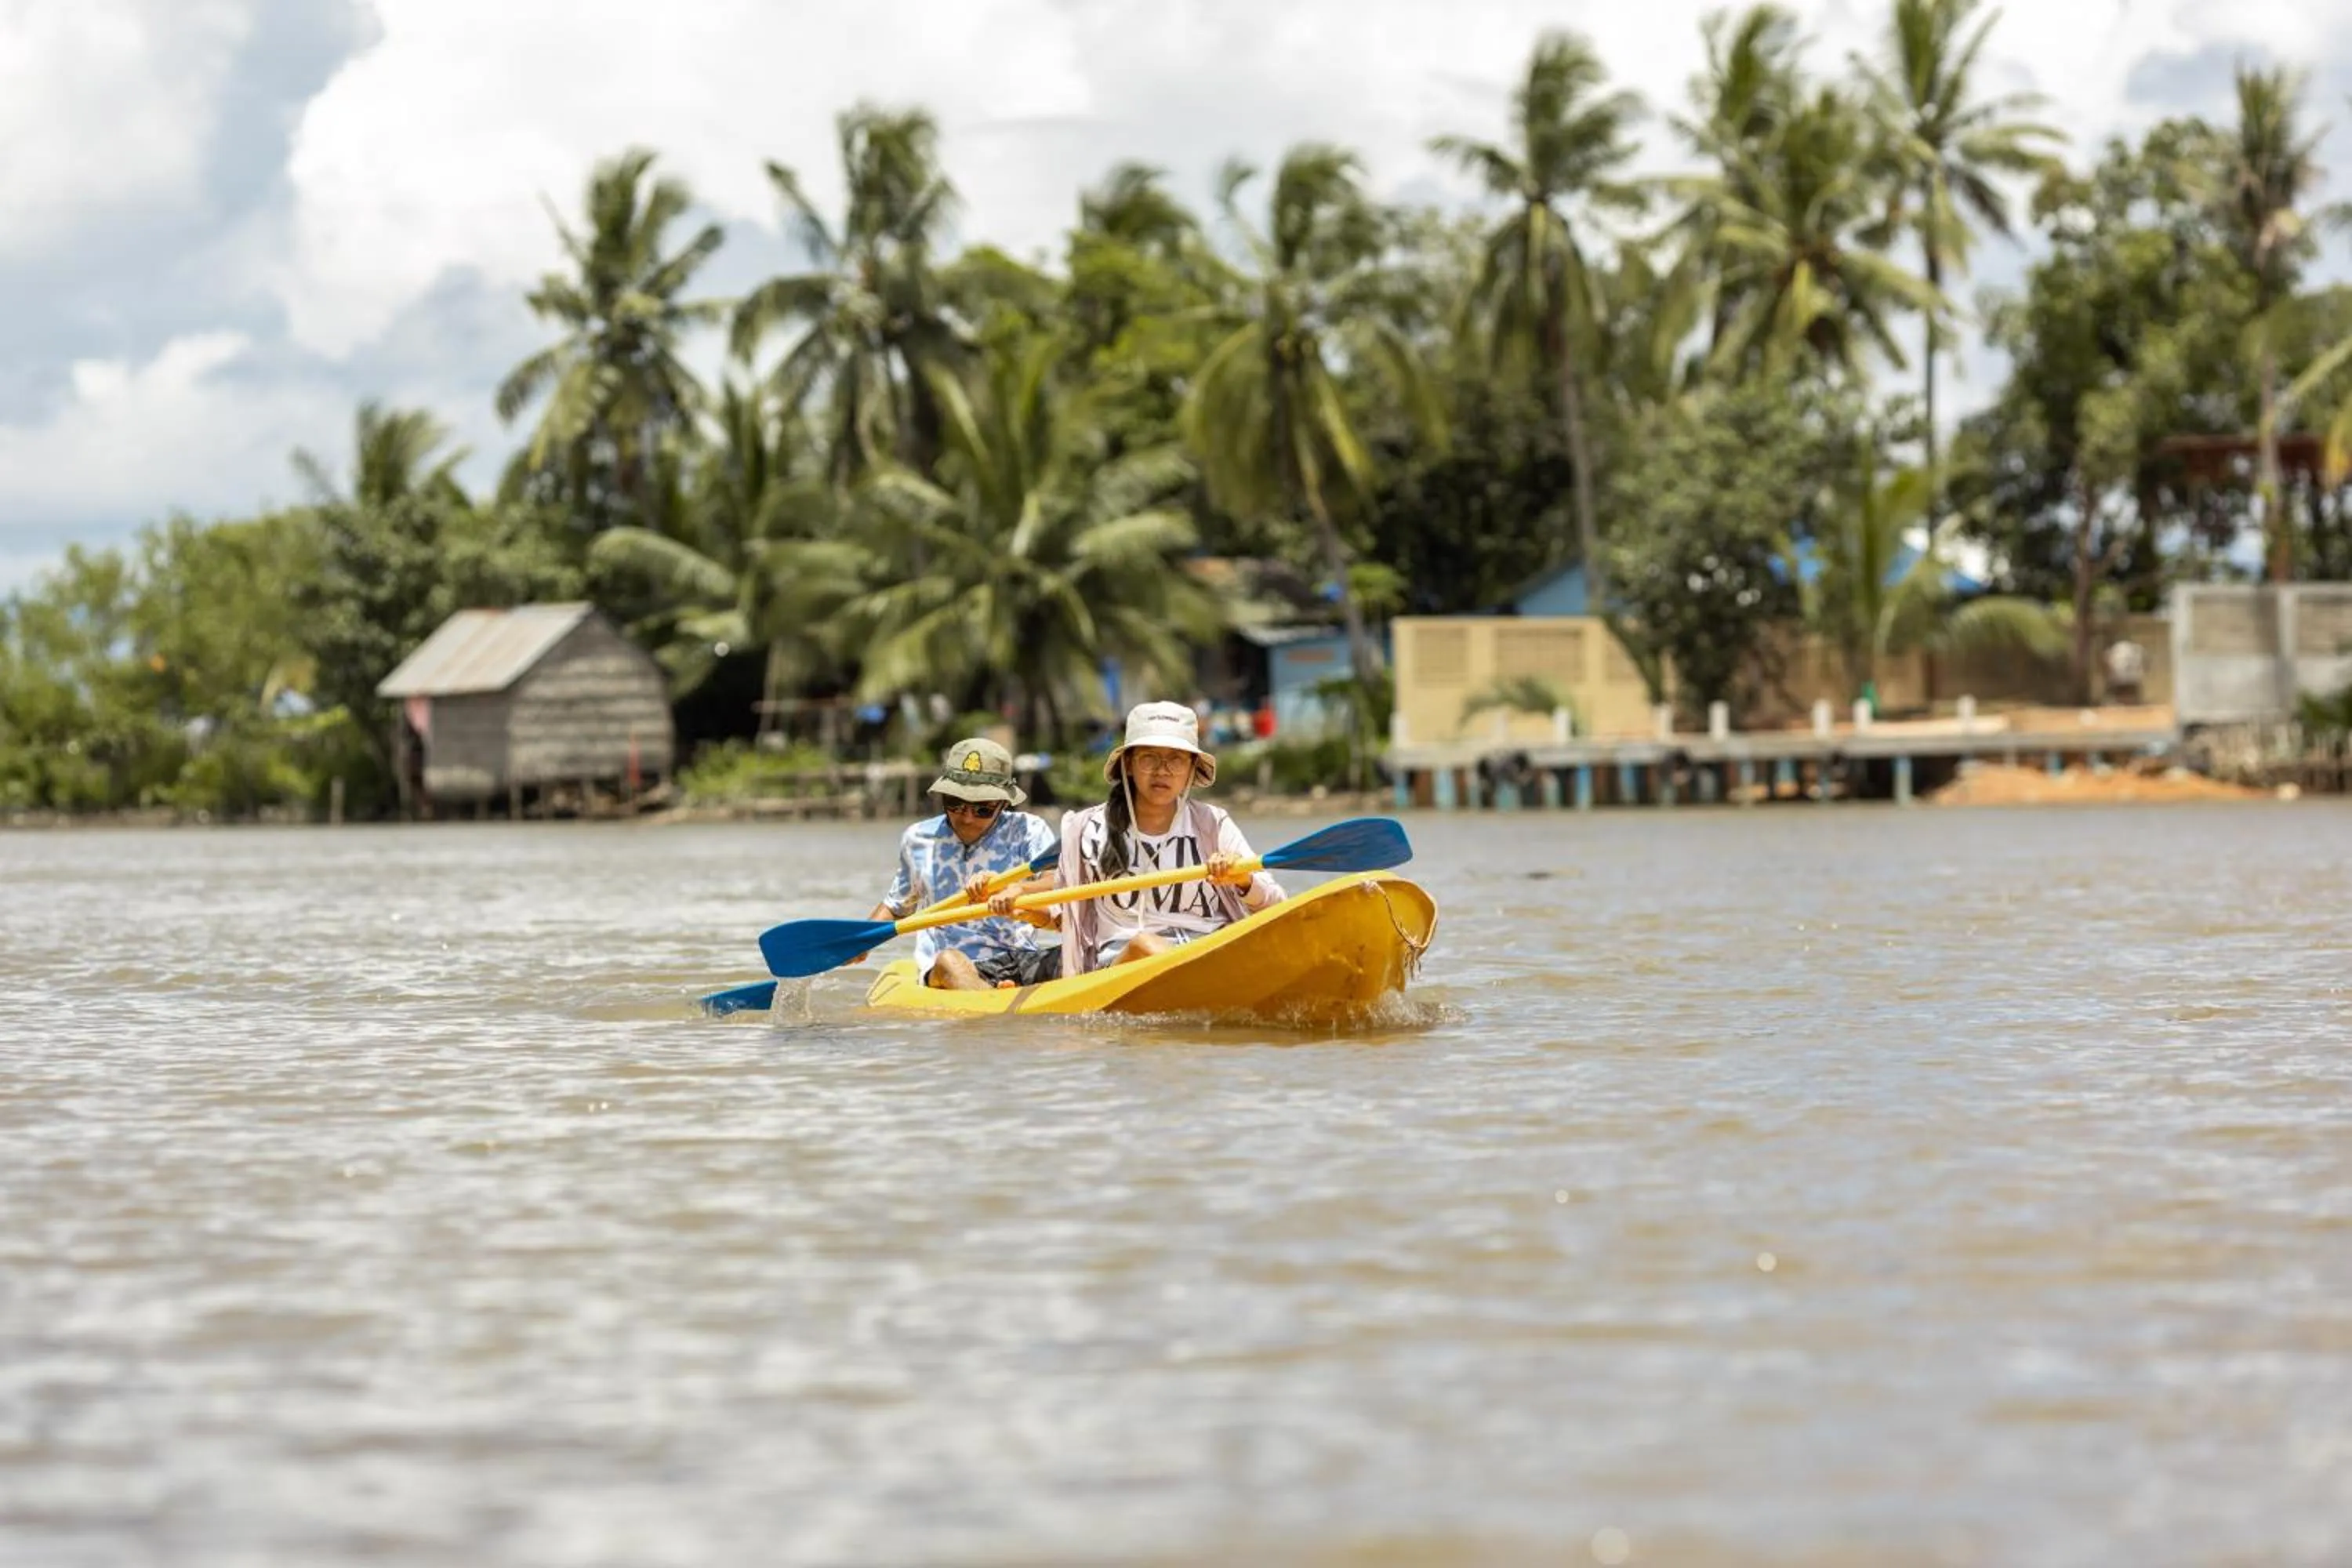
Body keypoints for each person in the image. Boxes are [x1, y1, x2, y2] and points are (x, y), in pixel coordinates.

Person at [991, 701, 1283, 975]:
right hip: (1123, 962)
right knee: (1145, 945)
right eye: (1149, 759)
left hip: (1209, 953)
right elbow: (1064, 914)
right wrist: (1018, 902)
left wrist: (1242, 880)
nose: (1162, 771)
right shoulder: (1086, 829)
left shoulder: (1212, 824)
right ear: (1129, 765)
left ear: (1192, 769)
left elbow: (1273, 903)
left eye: (1176, 760)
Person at [866, 737, 1061, 990]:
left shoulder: (1029, 831)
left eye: (982, 808)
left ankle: (1000, 991)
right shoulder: (919, 839)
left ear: (1004, 803)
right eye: (955, 803)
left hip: (1020, 959)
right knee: (949, 961)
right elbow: (896, 906)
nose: (967, 818)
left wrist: (1016, 889)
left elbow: (1058, 881)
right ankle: (990, 997)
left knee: (1079, 954)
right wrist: (860, 941)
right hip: (954, 965)